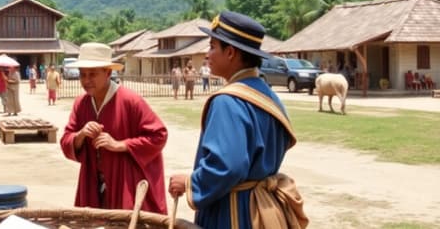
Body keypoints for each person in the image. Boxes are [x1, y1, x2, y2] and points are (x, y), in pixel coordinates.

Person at [168, 11, 308, 229]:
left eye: (212, 46)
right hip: (267, 211)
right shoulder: (269, 97)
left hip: (234, 213)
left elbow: (228, 167)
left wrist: (189, 184)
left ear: (231, 52)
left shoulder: (228, 101)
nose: (208, 55)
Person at [60, 42, 168, 214]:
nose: (86, 80)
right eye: (82, 75)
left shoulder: (130, 101)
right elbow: (66, 140)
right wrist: (80, 135)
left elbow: (159, 135)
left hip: (125, 182)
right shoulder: (81, 104)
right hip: (92, 183)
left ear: (108, 72)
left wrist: (120, 145)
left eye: (92, 74)